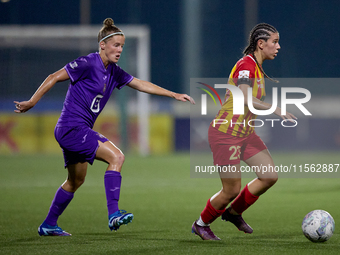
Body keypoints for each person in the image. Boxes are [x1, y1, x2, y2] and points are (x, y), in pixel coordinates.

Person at [14, 18, 195, 236]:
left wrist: (173, 94)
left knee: (75, 181)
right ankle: (113, 213)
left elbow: (140, 84)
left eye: (122, 46)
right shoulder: (88, 63)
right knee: (117, 157)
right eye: (116, 45)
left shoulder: (114, 72)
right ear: (103, 45)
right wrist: (32, 102)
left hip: (73, 131)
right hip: (72, 128)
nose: (119, 50)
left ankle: (49, 224)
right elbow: (54, 76)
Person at [191, 23, 296, 240]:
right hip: (225, 134)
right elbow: (246, 98)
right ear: (261, 43)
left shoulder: (256, 68)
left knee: (269, 176)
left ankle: (233, 213)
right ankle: (201, 224)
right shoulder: (246, 66)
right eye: (274, 42)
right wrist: (276, 109)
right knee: (231, 190)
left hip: (245, 133)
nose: (278, 47)